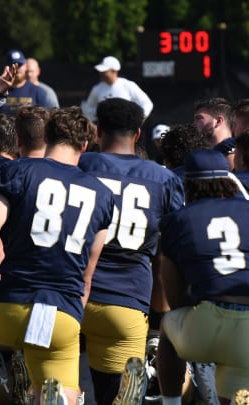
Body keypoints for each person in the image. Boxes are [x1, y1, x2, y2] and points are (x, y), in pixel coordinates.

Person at [0, 107, 114, 405]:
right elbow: (87, 276)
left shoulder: (15, 171)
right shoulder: (103, 195)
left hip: (11, 307)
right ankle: (55, 396)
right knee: (58, 385)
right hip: (60, 315)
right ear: (84, 146)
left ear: (48, 136)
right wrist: (69, 311)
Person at [77, 98, 184, 405]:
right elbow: (173, 247)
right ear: (138, 134)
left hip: (70, 296)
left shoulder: (82, 166)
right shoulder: (162, 179)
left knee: (60, 388)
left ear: (97, 131)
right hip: (127, 301)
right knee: (118, 398)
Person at [157, 149, 249, 404]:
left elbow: (174, 298)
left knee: (168, 324)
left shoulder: (177, 220)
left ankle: (172, 402)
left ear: (189, 183)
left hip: (209, 320)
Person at [81, 56, 153, 122]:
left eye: (104, 71)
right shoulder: (96, 89)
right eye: (101, 71)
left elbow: (147, 103)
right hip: (104, 132)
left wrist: (137, 122)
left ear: (114, 71)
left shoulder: (128, 85)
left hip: (125, 131)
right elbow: (88, 108)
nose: (101, 73)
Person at [0, 50, 52, 116]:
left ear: (26, 67)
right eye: (13, 65)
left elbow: (46, 119)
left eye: (20, 65)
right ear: (6, 68)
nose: (17, 68)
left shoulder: (38, 92)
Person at [193, 97, 235, 170]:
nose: (194, 124)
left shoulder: (239, 153)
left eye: (199, 118)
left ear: (218, 121)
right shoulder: (202, 155)